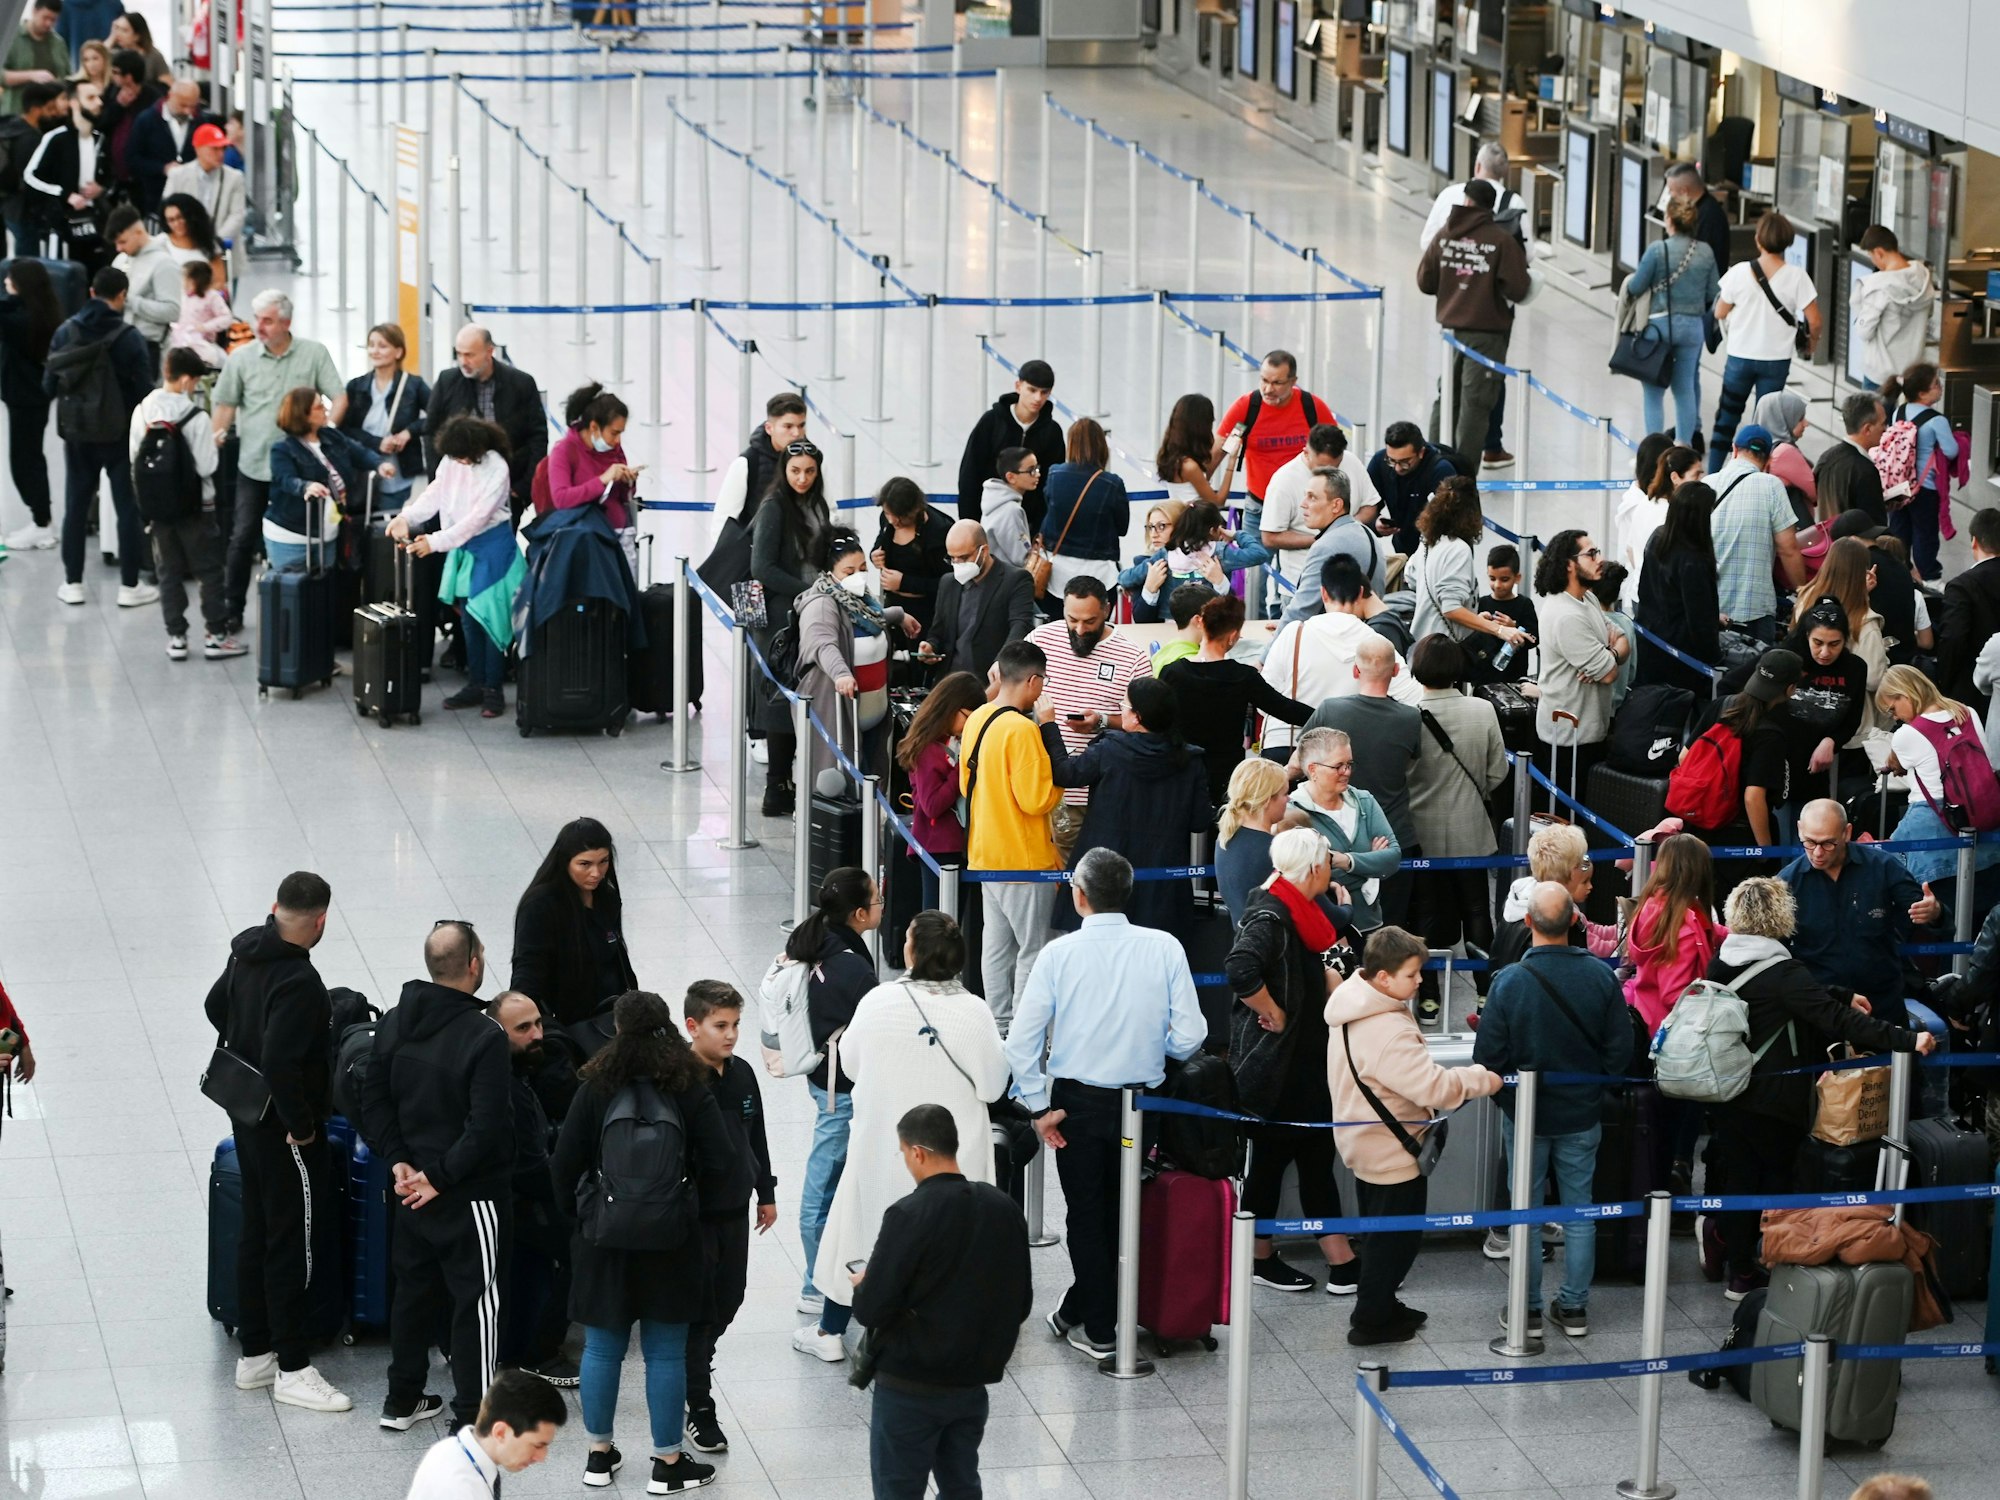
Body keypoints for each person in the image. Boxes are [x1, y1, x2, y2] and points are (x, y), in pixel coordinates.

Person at [1005, 848, 1205, 1359]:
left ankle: (1097, 1326)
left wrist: (1034, 1106)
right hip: (1143, 1103)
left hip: (1078, 1104)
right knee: (1124, 1211)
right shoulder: (1164, 947)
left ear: (1079, 895)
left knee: (1087, 1215)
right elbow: (1190, 1035)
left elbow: (1022, 1040)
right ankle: (1082, 1308)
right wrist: (1144, 1047)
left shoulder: (1057, 955)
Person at [1705, 877, 1932, 1299]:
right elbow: (1834, 1019)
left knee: (1737, 1177)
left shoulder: (1723, 961)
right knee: (1775, 1180)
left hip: (1725, 1088)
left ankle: (1735, 1264)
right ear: (1781, 917)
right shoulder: (1784, 970)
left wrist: (1840, 994)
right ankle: (1765, 1260)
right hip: (1774, 1097)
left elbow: (1789, 996)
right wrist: (1906, 1039)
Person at [798, 913, 1008, 1361]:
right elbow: (993, 1086)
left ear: (911, 951)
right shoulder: (974, 1011)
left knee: (860, 1227)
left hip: (884, 1146)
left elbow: (850, 1067)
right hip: (952, 1156)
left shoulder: (878, 1002)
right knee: (952, 1241)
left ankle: (831, 1330)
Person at [548, 990, 731, 1494]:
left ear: (617, 1031)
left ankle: (598, 1458)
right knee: (666, 1353)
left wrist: (584, 1218)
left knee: (603, 1348)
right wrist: (697, 1214)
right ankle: (668, 1463)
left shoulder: (596, 1086)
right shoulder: (689, 1085)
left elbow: (562, 1167)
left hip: (604, 1238)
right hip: (673, 1239)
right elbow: (722, 1162)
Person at [355, 921, 512, 1434]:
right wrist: (440, 1177)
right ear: (472, 965)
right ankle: (474, 1416)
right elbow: (486, 1126)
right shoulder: (485, 1035)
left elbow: (373, 1098)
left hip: (408, 1190)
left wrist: (400, 1160)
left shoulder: (397, 1020)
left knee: (413, 1292)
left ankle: (402, 1399)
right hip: (468, 1195)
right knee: (477, 1302)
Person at [203, 871, 351, 1413]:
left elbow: (214, 1005)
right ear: (320, 921)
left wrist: (245, 1038)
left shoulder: (245, 950)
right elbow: (284, 1063)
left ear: (275, 907)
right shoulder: (301, 983)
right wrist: (304, 1124)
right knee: (294, 1241)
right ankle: (293, 1366)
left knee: (258, 1230)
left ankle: (256, 1354)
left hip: (245, 1114)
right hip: (286, 1129)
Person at [1327, 926, 1503, 1344]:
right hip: (1393, 1151)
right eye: (1412, 974)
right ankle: (1372, 1320)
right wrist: (1483, 1079)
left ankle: (1383, 1305)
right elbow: (1434, 1088)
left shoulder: (1353, 1004)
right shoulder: (1387, 1029)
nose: (1420, 981)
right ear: (1384, 977)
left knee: (1377, 1235)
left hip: (1363, 1140)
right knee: (1396, 1243)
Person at [1473, 882, 1633, 1338]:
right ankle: (1575, 1308)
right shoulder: (1601, 977)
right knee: (1579, 1211)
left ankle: (1526, 1311)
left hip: (1526, 1118)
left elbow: (1489, 1059)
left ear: (1528, 923)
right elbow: (1619, 1052)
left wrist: (1510, 1100)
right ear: (1573, 922)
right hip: (1582, 1114)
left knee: (1526, 1210)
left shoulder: (1510, 983)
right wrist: (1594, 1091)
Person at [852, 1103, 1032, 1500]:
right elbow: (1021, 1301)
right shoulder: (1003, 1207)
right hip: (972, 1384)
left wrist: (864, 1283)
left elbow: (871, 1309)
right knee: (962, 1484)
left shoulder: (908, 1213)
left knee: (898, 1489)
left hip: (909, 1388)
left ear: (916, 1152)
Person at [1227, 826, 1361, 1293]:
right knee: (1282, 1159)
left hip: (1305, 1061)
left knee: (1304, 1157)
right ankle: (1286, 1256)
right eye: (1326, 859)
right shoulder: (1272, 915)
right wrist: (1274, 1013)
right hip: (1281, 1065)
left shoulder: (1298, 909)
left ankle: (1323, 1255)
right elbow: (1239, 968)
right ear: (1315, 867)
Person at [1039, 674, 1214, 937]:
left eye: (1125, 704)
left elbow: (1066, 774)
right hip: (1162, 884)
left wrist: (1049, 726)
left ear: (1137, 717)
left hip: (1105, 878)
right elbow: (1200, 821)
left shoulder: (1109, 750)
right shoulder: (1190, 759)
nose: (1121, 708)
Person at [211, 290, 345, 631]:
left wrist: (326, 436)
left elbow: (338, 396)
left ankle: (319, 613)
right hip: (255, 468)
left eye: (267, 321)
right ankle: (233, 609)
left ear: (286, 322)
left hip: (303, 473)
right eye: (257, 319)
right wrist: (215, 440)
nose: (259, 327)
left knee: (316, 537)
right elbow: (225, 405)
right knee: (242, 537)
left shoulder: (313, 354)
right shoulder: (241, 360)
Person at [679, 981, 776, 1456]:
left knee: (730, 1299)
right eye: (721, 1026)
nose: (732, 1035)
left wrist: (766, 1190)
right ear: (693, 1027)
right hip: (693, 1218)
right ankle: (698, 1404)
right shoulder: (677, 1081)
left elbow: (755, 1132)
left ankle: (694, 1363)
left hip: (734, 1212)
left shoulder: (742, 1076)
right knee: (698, 1312)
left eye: (736, 1025)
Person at [780, 868, 879, 1320]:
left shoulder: (820, 939)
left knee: (834, 1183)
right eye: (876, 901)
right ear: (859, 913)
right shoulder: (852, 967)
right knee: (823, 1190)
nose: (881, 905)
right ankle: (815, 1285)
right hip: (842, 1090)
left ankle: (827, 1276)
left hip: (826, 1080)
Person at [388, 415, 524, 718]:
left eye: (464, 457)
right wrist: (406, 517)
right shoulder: (451, 461)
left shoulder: (497, 467)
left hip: (492, 546)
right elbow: (435, 493)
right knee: (467, 619)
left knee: (490, 619)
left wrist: (434, 542)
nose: (460, 462)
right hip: (462, 545)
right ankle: (477, 683)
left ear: (477, 448)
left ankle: (493, 689)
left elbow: (477, 518)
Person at [958, 642, 1062, 1029]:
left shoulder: (978, 718)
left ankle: (998, 1023)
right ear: (1034, 681)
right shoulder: (1022, 729)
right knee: (1033, 949)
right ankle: (1024, 1028)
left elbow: (966, 783)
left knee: (996, 947)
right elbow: (1037, 800)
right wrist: (1058, 783)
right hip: (1024, 859)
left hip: (985, 854)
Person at [1406, 634, 1507, 1014]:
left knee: (1425, 914)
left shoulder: (1407, 712)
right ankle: (1485, 991)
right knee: (1478, 911)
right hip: (1471, 826)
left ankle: (1429, 996)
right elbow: (1497, 772)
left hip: (1422, 830)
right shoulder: (1482, 710)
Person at [1779, 798, 1941, 1032]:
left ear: (1846, 833)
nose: (1817, 853)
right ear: (1799, 830)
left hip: (1882, 1005)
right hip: (1822, 1010)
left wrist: (1934, 913)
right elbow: (1775, 956)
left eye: (1828, 844)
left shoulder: (1882, 866)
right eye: (1809, 842)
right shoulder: (1786, 883)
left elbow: (1926, 911)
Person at [46, 265, 153, 609]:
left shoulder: (65, 332)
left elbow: (48, 384)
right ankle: (129, 586)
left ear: (92, 292)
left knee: (75, 507)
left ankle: (73, 583)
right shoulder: (129, 337)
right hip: (118, 433)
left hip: (77, 433)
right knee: (127, 507)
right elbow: (143, 393)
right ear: (121, 297)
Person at [1300, 635, 1423, 930]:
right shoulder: (1410, 718)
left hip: (1336, 839)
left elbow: (1299, 758)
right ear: (1395, 672)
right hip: (1393, 836)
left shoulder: (1330, 710)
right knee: (1390, 932)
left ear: (1355, 671)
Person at [485, 990, 575, 1387]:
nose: (538, 1034)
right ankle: (541, 1352)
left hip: (511, 1198)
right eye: (523, 1028)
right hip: (518, 1201)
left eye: (538, 1023)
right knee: (583, 1249)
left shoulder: (511, 1073)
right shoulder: (506, 1088)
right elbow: (528, 1168)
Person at [1025, 575, 1149, 859]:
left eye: (1089, 621)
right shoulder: (1039, 639)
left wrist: (1102, 721)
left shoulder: (1133, 657)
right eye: (1072, 620)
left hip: (1102, 795)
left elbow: (1144, 724)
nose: (1079, 629)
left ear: (1106, 610)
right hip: (1043, 791)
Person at [132, 345, 242, 660]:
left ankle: (177, 638)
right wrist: (214, 443)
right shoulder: (195, 415)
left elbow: (133, 459)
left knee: (168, 571)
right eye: (194, 381)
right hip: (197, 508)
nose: (194, 387)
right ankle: (216, 635)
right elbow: (206, 467)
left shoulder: (142, 410)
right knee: (208, 570)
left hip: (158, 509)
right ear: (183, 380)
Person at [1416, 179, 1532, 465]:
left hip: (1450, 334)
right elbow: (1519, 288)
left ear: (1466, 200)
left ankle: (1432, 465)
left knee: (1447, 398)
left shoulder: (1445, 234)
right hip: (1486, 336)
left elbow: (1424, 280)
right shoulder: (1501, 240)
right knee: (1475, 404)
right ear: (1490, 207)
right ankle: (1462, 479)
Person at [1160, 590, 1312, 805]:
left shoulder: (1171, 672)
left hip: (1180, 771)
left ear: (1201, 624)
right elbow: (1283, 708)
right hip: (1226, 776)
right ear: (1232, 636)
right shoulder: (1243, 676)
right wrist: (1327, 715)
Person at [1261, 555, 1425, 754]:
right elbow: (1416, 699)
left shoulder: (1294, 632)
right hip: (1340, 755)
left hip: (1284, 744)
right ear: (1361, 593)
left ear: (1323, 593)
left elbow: (1264, 701)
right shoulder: (1376, 643)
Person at [793, 531, 917, 784]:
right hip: (839, 714)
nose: (858, 576)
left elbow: (872, 618)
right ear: (830, 573)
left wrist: (899, 615)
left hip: (872, 715)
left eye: (862, 568)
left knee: (873, 777)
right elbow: (822, 643)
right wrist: (841, 673)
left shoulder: (862, 600)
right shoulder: (821, 605)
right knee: (841, 783)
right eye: (849, 572)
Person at [748, 437, 831, 816]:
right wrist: (809, 592)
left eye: (809, 472)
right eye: (795, 471)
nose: (802, 478)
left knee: (803, 693)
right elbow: (762, 567)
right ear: (783, 469)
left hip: (807, 611)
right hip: (783, 618)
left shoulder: (816, 503)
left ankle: (790, 780)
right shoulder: (774, 507)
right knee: (782, 697)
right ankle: (777, 784)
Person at [1216, 350, 1330, 604]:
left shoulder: (1311, 407)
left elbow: (1335, 452)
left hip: (1305, 508)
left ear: (1293, 381)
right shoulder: (1247, 407)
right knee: (1254, 576)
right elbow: (1218, 450)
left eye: (1277, 383)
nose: (1269, 389)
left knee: (1304, 572)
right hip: (1260, 506)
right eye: (1264, 380)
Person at [1876, 665, 2000, 899]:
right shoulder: (1967, 712)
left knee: (1892, 877)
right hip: (1985, 811)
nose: (1895, 717)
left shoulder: (1906, 734)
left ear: (1905, 694)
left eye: (1893, 708)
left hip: (1933, 820)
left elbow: (1899, 765)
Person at [1709, 211, 1820, 469]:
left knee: (1726, 417)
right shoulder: (1797, 277)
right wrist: (1811, 343)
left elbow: (1719, 312)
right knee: (1769, 425)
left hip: (1740, 357)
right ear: (1788, 242)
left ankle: (1713, 474)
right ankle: (1764, 474)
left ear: (1758, 239)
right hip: (1776, 361)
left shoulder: (1738, 272)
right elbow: (1814, 320)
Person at [510, 816, 637, 1031]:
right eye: (585, 864)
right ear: (565, 862)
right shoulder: (540, 906)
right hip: (566, 1022)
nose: (596, 873)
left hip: (611, 1018)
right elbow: (528, 972)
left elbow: (616, 959)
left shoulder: (607, 898)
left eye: (603, 861)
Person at [1622, 194, 1720, 443]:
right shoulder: (1706, 252)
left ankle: (1654, 450)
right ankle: (1684, 447)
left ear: (1669, 220)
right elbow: (1712, 293)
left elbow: (1636, 286)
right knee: (1684, 388)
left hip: (1659, 327)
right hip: (1692, 329)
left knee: (1653, 391)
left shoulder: (1658, 250)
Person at [1285, 726, 1400, 934]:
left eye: (1349, 764)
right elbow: (1308, 881)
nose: (1346, 772)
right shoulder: (1292, 812)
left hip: (1370, 926)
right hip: (1322, 932)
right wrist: (1369, 868)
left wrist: (1343, 861)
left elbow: (1392, 858)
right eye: (1338, 766)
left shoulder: (1364, 801)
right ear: (1313, 770)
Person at [266, 385, 393, 572]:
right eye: (319, 406)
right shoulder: (283, 449)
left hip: (329, 531)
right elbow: (285, 480)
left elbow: (358, 452)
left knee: (324, 592)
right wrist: (306, 487)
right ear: (304, 415)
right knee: (292, 593)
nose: (326, 409)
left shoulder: (331, 435)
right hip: (292, 535)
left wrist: (379, 464)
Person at [1406, 474, 1531, 661]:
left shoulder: (1428, 542)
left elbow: (1411, 578)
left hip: (1421, 645)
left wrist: (1475, 618)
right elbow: (1451, 608)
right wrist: (1500, 630)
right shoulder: (1458, 549)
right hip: (1443, 652)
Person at [428, 324, 545, 517]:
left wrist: (524, 487)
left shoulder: (521, 384)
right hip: (457, 488)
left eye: (470, 355)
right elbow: (431, 432)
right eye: (459, 354)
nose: (463, 361)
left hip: (506, 487)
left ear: (490, 352)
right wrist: (437, 481)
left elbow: (537, 437)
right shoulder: (447, 382)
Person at [895, 671, 986, 910]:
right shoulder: (927, 749)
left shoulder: (947, 740)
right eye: (969, 717)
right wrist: (965, 765)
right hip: (939, 847)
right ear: (951, 708)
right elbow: (932, 805)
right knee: (939, 921)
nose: (970, 726)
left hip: (958, 845)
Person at [402, 1368, 567, 1500]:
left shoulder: (447, 1448)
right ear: (501, 1432)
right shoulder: (461, 1490)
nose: (542, 1457)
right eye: (538, 1445)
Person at [1260, 420, 1383, 596]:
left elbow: (1370, 504)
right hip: (1302, 586)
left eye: (1335, 467)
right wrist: (1323, 540)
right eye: (1322, 468)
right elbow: (1270, 537)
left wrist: (1347, 528)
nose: (1329, 474)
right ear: (1306, 453)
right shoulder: (1283, 481)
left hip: (1349, 586)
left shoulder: (1352, 462)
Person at [1708, 425, 1806, 641]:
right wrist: (1803, 591)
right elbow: (1788, 549)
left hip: (1710, 609)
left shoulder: (1706, 484)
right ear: (1768, 459)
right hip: (1754, 609)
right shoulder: (1772, 486)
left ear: (1734, 449)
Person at [1533, 529, 1625, 755]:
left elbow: (1623, 640)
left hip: (1588, 732)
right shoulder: (1567, 616)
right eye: (1591, 554)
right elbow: (1610, 674)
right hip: (1568, 739)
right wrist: (1610, 656)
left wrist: (1608, 655)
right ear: (1568, 565)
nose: (1600, 559)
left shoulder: (1588, 597)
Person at [1489, 823, 1621, 977]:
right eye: (1584, 882)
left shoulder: (1520, 894)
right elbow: (1596, 946)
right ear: (1561, 882)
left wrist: (1620, 931)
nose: (1590, 886)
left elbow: (1589, 928)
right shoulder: (1560, 916)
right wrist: (1628, 945)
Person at [918, 518, 1037, 683]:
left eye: (964, 557)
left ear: (984, 550)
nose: (957, 564)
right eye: (952, 558)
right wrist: (930, 647)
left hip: (990, 681)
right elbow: (938, 631)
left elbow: (1020, 625)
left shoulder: (1015, 580)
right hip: (951, 680)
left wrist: (1002, 662)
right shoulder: (948, 582)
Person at [1635, 479, 1721, 694]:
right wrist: (1713, 658)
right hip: (1682, 655)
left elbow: (1645, 590)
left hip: (1651, 640)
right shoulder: (1693, 559)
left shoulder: (1658, 538)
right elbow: (1698, 620)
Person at [0, 257, 60, 552]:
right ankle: (41, 520)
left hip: (25, 399)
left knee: (25, 461)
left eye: (10, 279)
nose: (5, 282)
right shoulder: (40, 311)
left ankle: (41, 524)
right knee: (30, 458)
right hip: (31, 397)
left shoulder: (22, 322)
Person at [546, 382, 639, 570]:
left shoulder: (614, 448)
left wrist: (628, 481)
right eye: (614, 433)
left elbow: (622, 497)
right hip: (585, 542)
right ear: (594, 427)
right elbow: (562, 498)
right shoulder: (564, 451)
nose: (617, 440)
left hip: (619, 536)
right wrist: (603, 479)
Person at [340, 322, 430, 517]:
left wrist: (409, 433)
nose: (375, 351)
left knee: (388, 521)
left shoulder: (413, 385)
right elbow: (345, 429)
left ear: (398, 352)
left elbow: (438, 415)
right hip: (362, 469)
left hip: (398, 471)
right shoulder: (356, 386)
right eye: (371, 345)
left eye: (382, 346)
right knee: (359, 519)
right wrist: (377, 443)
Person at [958, 359, 1061, 528]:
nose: (1038, 398)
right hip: (986, 518)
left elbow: (1050, 485)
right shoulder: (991, 422)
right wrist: (970, 523)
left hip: (1027, 524)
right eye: (1032, 390)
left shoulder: (1052, 432)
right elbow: (970, 472)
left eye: (1044, 392)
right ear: (1018, 386)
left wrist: (1040, 527)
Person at [1878, 361, 1956, 580]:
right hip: (1925, 486)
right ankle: (1929, 575)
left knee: (1900, 529)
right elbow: (1951, 451)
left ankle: (1900, 571)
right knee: (1925, 533)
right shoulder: (1937, 420)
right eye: (1936, 384)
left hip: (1899, 485)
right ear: (1922, 393)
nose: (1940, 387)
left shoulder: (1899, 412)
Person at [1278, 466, 1386, 620]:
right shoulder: (1365, 532)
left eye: (1312, 497)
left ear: (1336, 505)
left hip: (1337, 638)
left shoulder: (1327, 546)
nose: (1303, 504)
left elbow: (1301, 611)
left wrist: (1281, 638)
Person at [1038, 415, 1128, 595]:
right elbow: (1122, 528)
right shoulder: (1112, 483)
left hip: (1057, 570)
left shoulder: (1054, 474)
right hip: (1100, 571)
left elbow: (1049, 508)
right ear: (1102, 446)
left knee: (1056, 622)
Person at [710, 390, 807, 545]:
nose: (797, 433)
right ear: (769, 428)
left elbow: (827, 510)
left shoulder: (814, 462)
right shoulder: (746, 463)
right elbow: (724, 519)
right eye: (788, 426)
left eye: (801, 425)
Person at [1852, 226, 1935, 388]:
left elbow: (1864, 332)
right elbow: (1929, 313)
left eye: (1871, 256)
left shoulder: (1878, 286)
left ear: (1879, 252)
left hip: (1880, 375)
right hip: (1913, 373)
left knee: (1874, 413)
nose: (1873, 261)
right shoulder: (1922, 276)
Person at [1215, 756, 1294, 924]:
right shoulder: (1274, 850)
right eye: (1285, 794)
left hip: (1243, 943)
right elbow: (1328, 916)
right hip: (1276, 946)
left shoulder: (1225, 839)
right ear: (1266, 800)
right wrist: (1345, 905)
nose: (1289, 799)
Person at [1938, 506, 2000, 716]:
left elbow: (1953, 639)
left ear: (1974, 541)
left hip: (1973, 693)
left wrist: (1943, 685)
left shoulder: (1962, 586)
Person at [870, 475, 950, 635]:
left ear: (914, 510)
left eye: (899, 517)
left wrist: (904, 583)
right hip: (894, 607)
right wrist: (875, 555)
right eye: (887, 513)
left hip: (926, 613)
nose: (892, 520)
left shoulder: (939, 532)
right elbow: (881, 541)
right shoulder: (887, 520)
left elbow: (950, 583)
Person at [1366, 419, 1459, 557]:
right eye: (1391, 461)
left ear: (1421, 452)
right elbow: (1367, 505)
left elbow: (1449, 523)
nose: (1397, 468)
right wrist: (1375, 524)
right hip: (1404, 549)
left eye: (1405, 462)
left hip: (1439, 552)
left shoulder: (1441, 471)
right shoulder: (1380, 462)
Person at [163, 122, 245, 272]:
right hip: (184, 251)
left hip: (221, 252)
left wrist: (214, 242)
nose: (220, 154)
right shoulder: (178, 175)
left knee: (223, 294)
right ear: (198, 149)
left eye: (222, 148)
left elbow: (237, 215)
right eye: (214, 149)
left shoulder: (234, 178)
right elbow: (167, 209)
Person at [127, 76, 209, 217]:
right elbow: (132, 159)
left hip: (191, 198)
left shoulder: (200, 122)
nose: (188, 111)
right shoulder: (146, 121)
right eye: (183, 105)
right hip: (154, 197)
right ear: (170, 96)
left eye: (193, 106)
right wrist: (162, 168)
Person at [1611, 433, 1675, 597]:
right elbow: (1632, 552)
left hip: (1636, 586)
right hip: (1638, 589)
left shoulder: (1637, 498)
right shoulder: (1643, 505)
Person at [1813, 391, 1889, 527]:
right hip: (1856, 545)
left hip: (1829, 541)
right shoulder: (1865, 470)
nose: (1885, 429)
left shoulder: (1827, 456)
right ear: (1867, 429)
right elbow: (1876, 525)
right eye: (1882, 424)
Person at [1468, 542, 1538, 683]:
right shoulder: (1482, 603)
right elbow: (1470, 642)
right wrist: (1479, 624)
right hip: (1483, 677)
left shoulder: (1524, 604)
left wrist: (1515, 627)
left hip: (1513, 677)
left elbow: (1534, 639)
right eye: (1492, 579)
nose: (1498, 585)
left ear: (1517, 578)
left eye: (1504, 579)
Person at [1156, 390, 1240, 506]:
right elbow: (1218, 502)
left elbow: (1197, 485)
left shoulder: (1173, 456)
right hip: (1195, 522)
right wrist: (1231, 462)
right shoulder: (1189, 466)